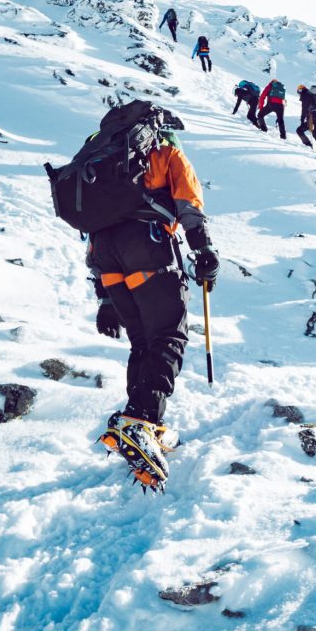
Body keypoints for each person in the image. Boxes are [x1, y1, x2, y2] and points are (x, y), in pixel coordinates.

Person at [83, 101, 220, 490]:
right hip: (148, 245)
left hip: (106, 257)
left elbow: (94, 231)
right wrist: (204, 250)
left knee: (143, 342)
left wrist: (106, 299)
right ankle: (141, 421)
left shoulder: (104, 167)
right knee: (168, 337)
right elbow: (189, 204)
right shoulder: (166, 153)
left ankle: (143, 422)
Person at [296, 84, 316, 153]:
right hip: (313, 116)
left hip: (313, 116)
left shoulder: (305, 96)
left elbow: (304, 110)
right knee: (302, 131)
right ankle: (313, 147)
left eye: (298, 93)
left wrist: (302, 120)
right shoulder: (309, 94)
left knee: (302, 131)